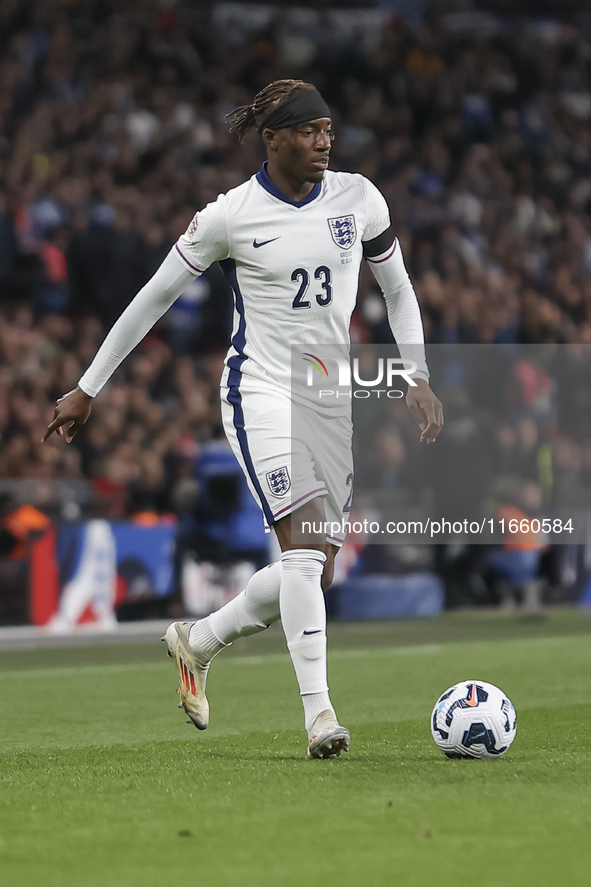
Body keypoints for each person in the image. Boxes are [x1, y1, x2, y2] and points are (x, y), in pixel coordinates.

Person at [43, 80, 444, 759]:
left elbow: (397, 289)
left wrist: (417, 374)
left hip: (326, 397)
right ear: (273, 138)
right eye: (310, 130)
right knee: (301, 544)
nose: (325, 141)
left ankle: (196, 640)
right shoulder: (229, 216)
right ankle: (320, 716)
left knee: (313, 571)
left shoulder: (359, 198)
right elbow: (153, 298)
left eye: (328, 130)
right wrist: (88, 386)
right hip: (258, 390)